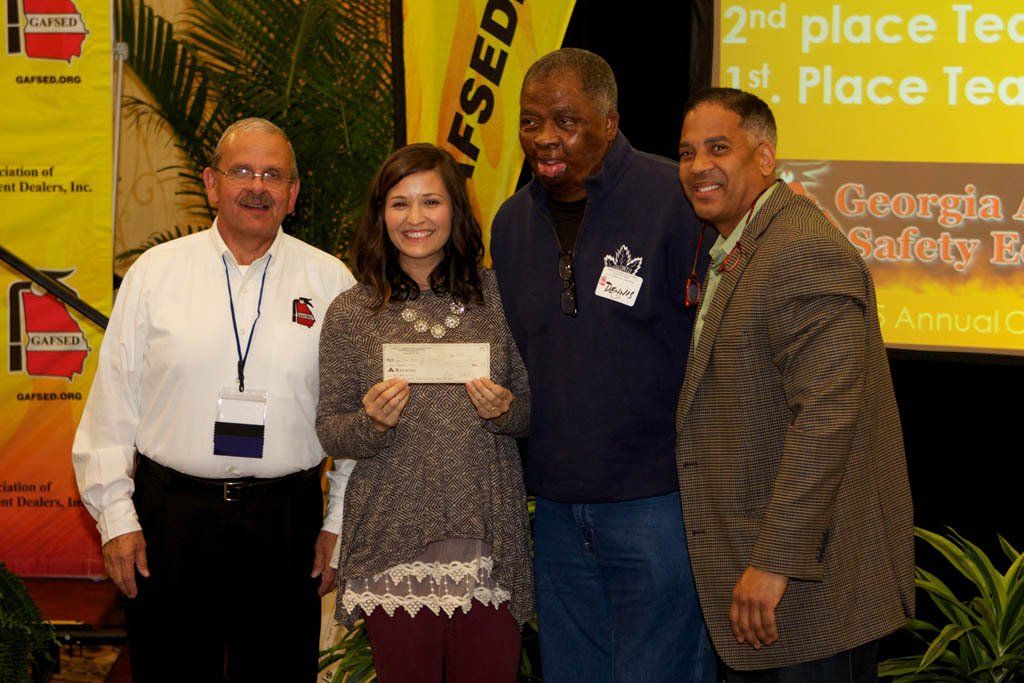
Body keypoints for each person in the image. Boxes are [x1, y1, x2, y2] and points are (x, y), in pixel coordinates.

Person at [72, 118, 356, 682]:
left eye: (274, 175)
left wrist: (339, 522)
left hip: (287, 523)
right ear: (211, 183)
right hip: (170, 521)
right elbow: (113, 407)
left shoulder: (331, 283)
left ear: (293, 194)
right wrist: (116, 519)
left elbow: (352, 418)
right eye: (242, 171)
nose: (258, 186)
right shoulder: (156, 274)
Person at [674, 87, 914, 681]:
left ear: (764, 158)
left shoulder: (800, 247)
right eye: (686, 152)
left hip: (810, 588)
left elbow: (827, 418)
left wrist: (775, 561)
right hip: (773, 587)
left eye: (718, 148)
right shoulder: (742, 245)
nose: (698, 165)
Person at [490, 48, 713, 682]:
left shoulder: (673, 199)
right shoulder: (510, 225)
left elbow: (714, 345)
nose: (545, 139)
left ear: (610, 123)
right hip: (556, 508)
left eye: (566, 120)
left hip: (656, 501)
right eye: (531, 122)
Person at [316, 143, 532, 682]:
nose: (415, 219)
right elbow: (330, 428)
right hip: (394, 541)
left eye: (430, 202)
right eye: (399, 204)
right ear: (380, 215)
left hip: (488, 540)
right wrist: (371, 423)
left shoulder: (499, 297)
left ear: (455, 210)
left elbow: (530, 409)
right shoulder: (352, 311)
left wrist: (506, 410)